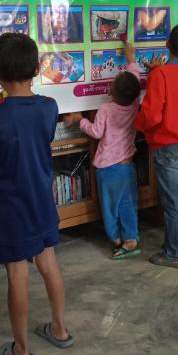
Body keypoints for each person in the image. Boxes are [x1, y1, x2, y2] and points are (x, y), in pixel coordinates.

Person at [0, 33, 73, 355]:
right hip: (42, 199)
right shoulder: (49, 106)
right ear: (36, 69)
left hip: (11, 208)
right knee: (49, 263)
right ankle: (60, 329)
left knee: (17, 274)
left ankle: (22, 350)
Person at [64, 40, 142, 259]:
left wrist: (80, 120)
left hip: (108, 169)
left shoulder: (106, 109)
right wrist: (131, 58)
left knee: (109, 206)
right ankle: (131, 239)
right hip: (127, 166)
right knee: (127, 203)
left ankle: (116, 240)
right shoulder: (134, 103)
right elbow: (134, 80)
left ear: (111, 91)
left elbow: (96, 132)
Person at [135, 22, 178, 269]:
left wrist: (136, 124)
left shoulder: (160, 75)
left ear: (167, 44)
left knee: (172, 202)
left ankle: (174, 254)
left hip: (167, 146)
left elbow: (151, 115)